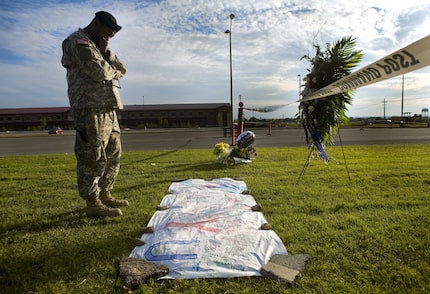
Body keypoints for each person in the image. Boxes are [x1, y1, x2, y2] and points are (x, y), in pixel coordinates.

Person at [61, 11, 128, 217]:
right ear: (97, 25)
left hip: (108, 108)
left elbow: (122, 68)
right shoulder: (78, 41)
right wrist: (112, 70)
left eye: (111, 36)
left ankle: (105, 193)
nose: (108, 38)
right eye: (107, 33)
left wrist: (106, 54)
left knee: (114, 154)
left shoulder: (100, 47)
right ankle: (92, 202)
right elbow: (100, 73)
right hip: (89, 108)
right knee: (93, 155)